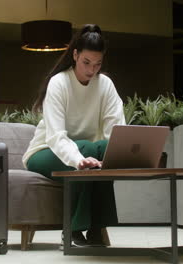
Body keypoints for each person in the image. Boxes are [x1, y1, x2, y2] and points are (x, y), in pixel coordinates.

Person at [22, 24, 126, 248]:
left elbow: (116, 131)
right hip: (44, 152)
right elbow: (57, 137)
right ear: (75, 55)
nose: (91, 70)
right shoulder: (59, 83)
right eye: (86, 63)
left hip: (85, 150)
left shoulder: (105, 84)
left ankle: (96, 231)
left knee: (102, 153)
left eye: (97, 64)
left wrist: (118, 152)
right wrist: (79, 159)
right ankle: (74, 231)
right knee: (88, 152)